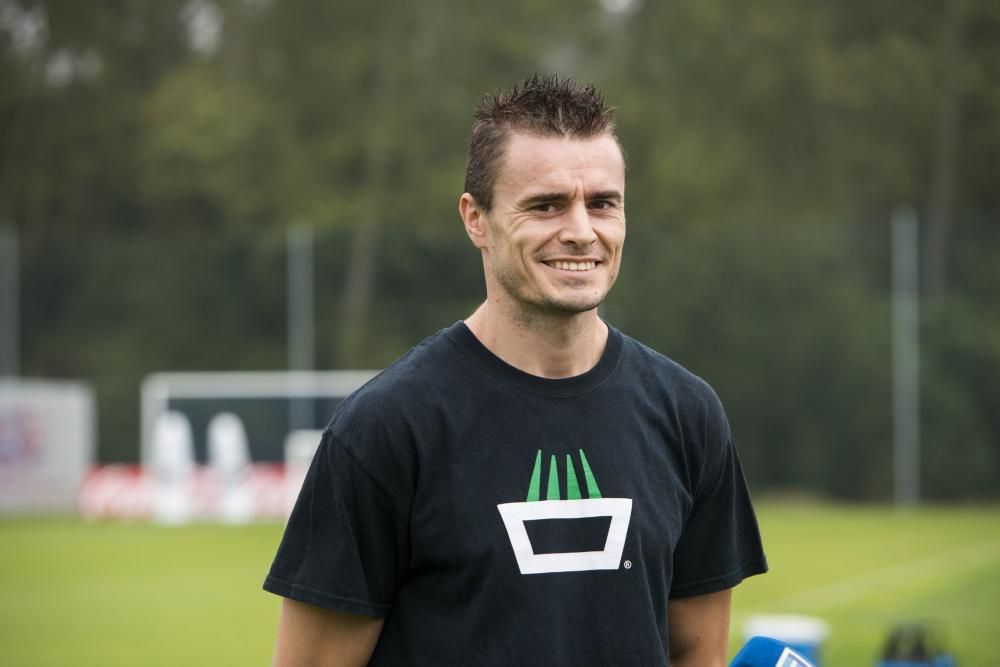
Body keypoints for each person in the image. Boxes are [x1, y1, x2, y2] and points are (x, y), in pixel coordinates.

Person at [264, 74, 767, 666]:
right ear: (476, 219)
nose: (581, 231)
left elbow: (696, 656)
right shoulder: (387, 428)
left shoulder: (688, 414)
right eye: (546, 205)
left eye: (603, 203)